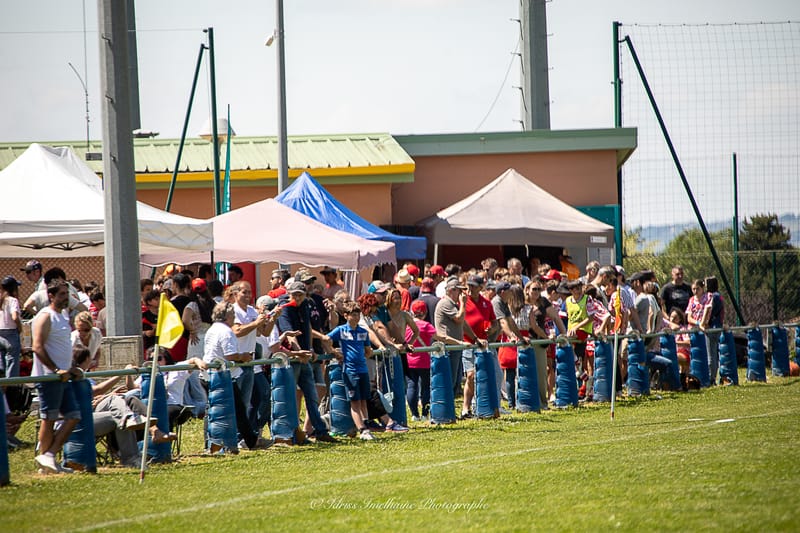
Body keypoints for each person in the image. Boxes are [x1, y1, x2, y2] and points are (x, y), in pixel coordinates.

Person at [32, 279, 82, 473]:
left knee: (73, 416)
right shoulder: (45, 316)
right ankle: (45, 464)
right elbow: (37, 347)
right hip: (49, 378)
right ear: (51, 296)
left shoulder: (63, 315)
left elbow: (62, 348)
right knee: (49, 418)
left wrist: (72, 368)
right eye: (61, 294)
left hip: (64, 377)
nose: (65, 297)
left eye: (66, 294)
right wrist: (54, 370)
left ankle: (50, 455)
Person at [276, 282, 337, 443]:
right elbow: (290, 334)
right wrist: (299, 352)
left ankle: (320, 431)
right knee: (291, 397)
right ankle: (292, 435)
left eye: (300, 295)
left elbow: (308, 329)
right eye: (294, 294)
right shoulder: (285, 309)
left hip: (304, 359)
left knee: (312, 396)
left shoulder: (305, 305)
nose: (297, 298)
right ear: (289, 294)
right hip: (292, 359)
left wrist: (309, 349)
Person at [204, 301, 259, 453]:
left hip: (210, 374)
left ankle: (213, 443)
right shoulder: (226, 332)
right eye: (233, 314)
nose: (234, 317)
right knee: (237, 409)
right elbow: (230, 355)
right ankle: (246, 441)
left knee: (215, 409)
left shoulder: (212, 329)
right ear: (227, 316)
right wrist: (243, 356)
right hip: (223, 375)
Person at [324, 301, 378, 440]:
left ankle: (366, 425)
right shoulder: (341, 330)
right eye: (353, 315)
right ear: (346, 316)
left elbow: (368, 350)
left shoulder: (363, 332)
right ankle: (362, 430)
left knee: (363, 400)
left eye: (357, 314)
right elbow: (326, 339)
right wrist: (333, 352)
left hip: (363, 370)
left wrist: (366, 355)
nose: (356, 317)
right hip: (350, 371)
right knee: (355, 402)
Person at [435, 276, 486, 405]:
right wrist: (463, 303)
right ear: (451, 290)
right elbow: (458, 318)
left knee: (455, 382)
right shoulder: (445, 303)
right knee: (449, 381)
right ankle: (445, 409)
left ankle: (450, 409)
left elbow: (463, 323)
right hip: (448, 347)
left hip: (456, 347)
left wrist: (475, 338)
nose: (462, 293)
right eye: (459, 290)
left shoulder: (453, 305)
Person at [462, 274, 498, 417]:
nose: (470, 288)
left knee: (482, 375)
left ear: (480, 287)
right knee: (470, 375)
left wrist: (492, 329)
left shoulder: (486, 303)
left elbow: (494, 322)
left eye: (473, 286)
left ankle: (480, 406)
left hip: (483, 345)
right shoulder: (463, 300)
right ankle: (465, 408)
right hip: (468, 343)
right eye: (469, 285)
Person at [0, 275, 23, 378]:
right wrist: (20, 328)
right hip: (11, 333)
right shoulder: (12, 300)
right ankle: (11, 385)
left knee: (2, 361)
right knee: (12, 361)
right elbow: (14, 317)